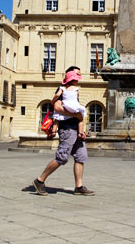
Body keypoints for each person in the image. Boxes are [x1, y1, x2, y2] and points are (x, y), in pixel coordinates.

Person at [33, 66, 94, 196]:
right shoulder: (62, 88)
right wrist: (76, 116)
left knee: (80, 157)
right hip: (67, 128)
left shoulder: (75, 90)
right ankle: (40, 180)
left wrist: (81, 128)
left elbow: (76, 110)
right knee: (62, 157)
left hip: (76, 128)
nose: (78, 77)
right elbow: (57, 107)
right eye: (76, 74)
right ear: (69, 75)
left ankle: (79, 187)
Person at [51, 70, 86, 137]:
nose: (77, 81)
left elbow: (57, 95)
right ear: (73, 80)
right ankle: (80, 133)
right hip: (74, 106)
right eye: (76, 80)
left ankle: (53, 130)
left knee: (57, 117)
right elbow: (77, 97)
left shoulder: (62, 88)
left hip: (65, 105)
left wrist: (52, 101)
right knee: (80, 119)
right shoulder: (76, 88)